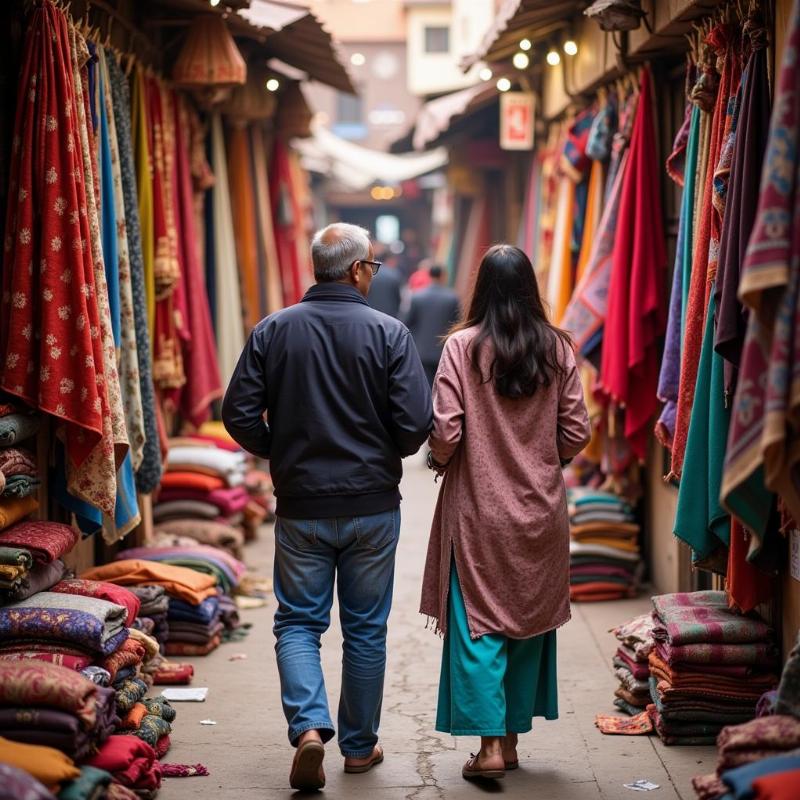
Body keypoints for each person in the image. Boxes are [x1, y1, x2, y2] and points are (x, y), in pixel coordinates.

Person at [222, 222, 432, 791]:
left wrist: (282, 450)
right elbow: (415, 426)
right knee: (365, 630)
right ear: (360, 269)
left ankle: (310, 728)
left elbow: (237, 413)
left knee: (296, 623)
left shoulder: (274, 330)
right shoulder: (389, 333)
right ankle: (360, 749)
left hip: (300, 505)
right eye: (373, 268)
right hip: (371, 505)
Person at [419, 244, 590, 782]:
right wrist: (544, 461)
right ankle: (510, 742)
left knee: (479, 624)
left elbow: (446, 430)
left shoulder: (462, 348)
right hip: (542, 509)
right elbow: (577, 431)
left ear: (482, 290)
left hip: (477, 510)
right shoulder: (558, 348)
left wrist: (440, 458)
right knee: (526, 622)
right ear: (530, 288)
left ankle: (490, 747)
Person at [405, 265, 461, 387]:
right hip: (440, 351)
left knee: (418, 385)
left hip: (420, 350)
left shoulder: (417, 296)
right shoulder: (452, 298)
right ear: (443, 276)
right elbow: (457, 324)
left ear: (429, 275)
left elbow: (407, 323)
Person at [366, 251, 403, 318]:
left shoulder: (369, 274)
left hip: (370, 313)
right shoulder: (394, 274)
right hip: (389, 315)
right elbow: (398, 298)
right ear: (389, 260)